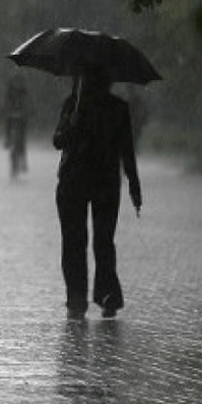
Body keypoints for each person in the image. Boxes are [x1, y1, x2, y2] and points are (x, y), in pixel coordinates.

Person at [52, 68, 142, 319]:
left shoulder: (114, 108)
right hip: (82, 183)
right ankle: (85, 296)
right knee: (83, 241)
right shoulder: (74, 105)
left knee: (92, 242)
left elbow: (126, 149)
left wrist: (134, 183)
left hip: (97, 183)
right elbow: (58, 140)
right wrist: (73, 124)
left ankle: (89, 296)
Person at [3, 74, 29, 178]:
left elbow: (26, 104)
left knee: (21, 139)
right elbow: (7, 105)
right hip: (15, 117)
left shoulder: (21, 93)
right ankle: (8, 141)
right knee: (17, 138)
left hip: (19, 117)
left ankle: (22, 160)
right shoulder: (12, 93)